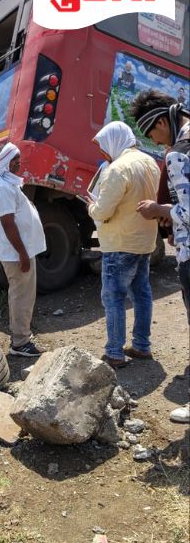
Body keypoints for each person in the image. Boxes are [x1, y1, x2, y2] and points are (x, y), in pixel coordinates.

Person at [131, 90, 190, 424]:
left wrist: (159, 209)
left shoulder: (179, 152)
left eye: (151, 133)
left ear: (159, 122)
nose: (154, 140)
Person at [87, 121, 160, 369]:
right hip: (144, 241)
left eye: (103, 147)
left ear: (114, 141)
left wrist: (90, 206)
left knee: (113, 297)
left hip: (119, 243)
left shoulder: (117, 169)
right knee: (142, 294)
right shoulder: (150, 162)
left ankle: (114, 352)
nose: (103, 154)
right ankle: (141, 345)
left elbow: (103, 210)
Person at [0, 143, 45, 357]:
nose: (19, 162)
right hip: (16, 254)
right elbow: (7, 223)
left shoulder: (7, 183)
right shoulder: (1, 188)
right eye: (15, 159)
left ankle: (22, 335)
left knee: (24, 295)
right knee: (21, 296)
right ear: (4, 162)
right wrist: (22, 253)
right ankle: (20, 343)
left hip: (21, 251)